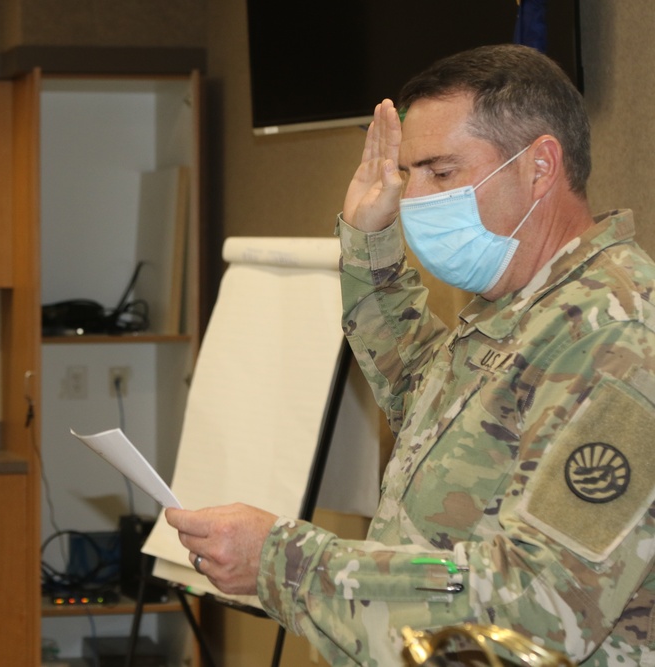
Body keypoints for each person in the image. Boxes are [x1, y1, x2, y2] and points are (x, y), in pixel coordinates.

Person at [165, 43, 655, 666]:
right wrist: (370, 241)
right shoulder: (523, 302)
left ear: (540, 166)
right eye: (408, 173)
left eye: (441, 172)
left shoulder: (618, 336)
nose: (413, 197)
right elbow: (418, 390)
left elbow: (537, 605)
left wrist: (283, 561)